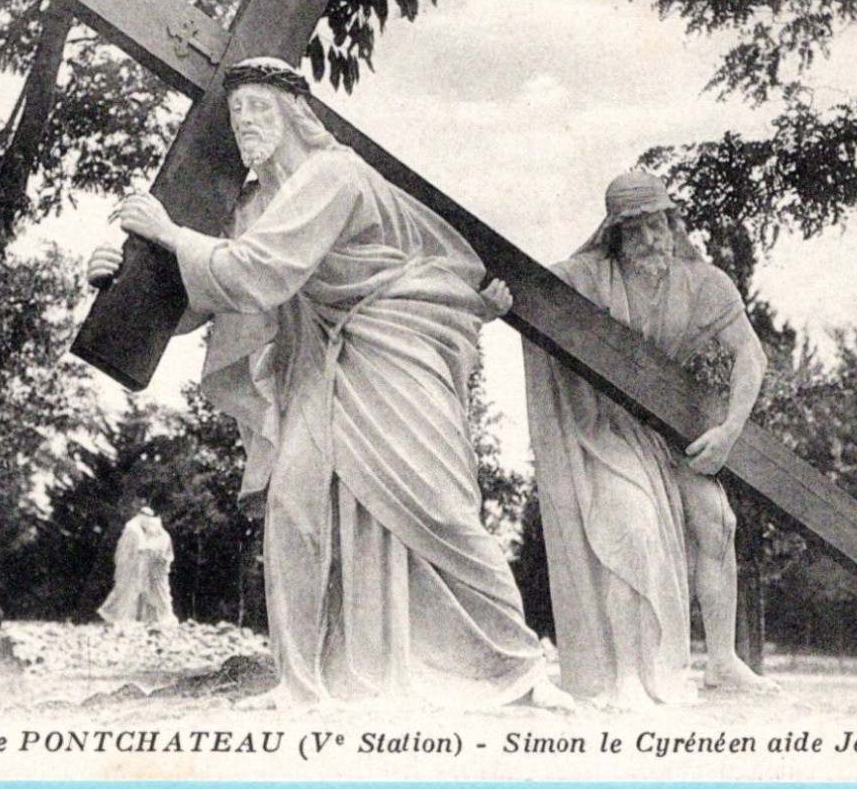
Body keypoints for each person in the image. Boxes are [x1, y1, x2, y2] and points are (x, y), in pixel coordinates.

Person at [89, 57, 565, 710]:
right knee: (296, 506)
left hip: (392, 345)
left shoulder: (332, 174)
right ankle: (304, 680)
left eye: (260, 107)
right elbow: (212, 299)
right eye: (237, 112)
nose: (247, 122)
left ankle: (518, 667)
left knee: (433, 502)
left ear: (295, 114)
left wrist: (169, 234)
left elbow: (255, 271)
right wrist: (121, 278)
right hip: (317, 358)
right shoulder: (254, 204)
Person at [524, 169, 772, 705]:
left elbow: (750, 354)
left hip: (669, 433)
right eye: (634, 230)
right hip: (605, 428)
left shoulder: (704, 283)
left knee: (717, 520)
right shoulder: (589, 276)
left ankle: (723, 661)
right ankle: (628, 676)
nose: (650, 240)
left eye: (657, 226)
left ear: (672, 224)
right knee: (631, 529)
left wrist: (729, 432)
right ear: (614, 234)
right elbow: (533, 289)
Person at [98, 503, 178, 626]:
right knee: (126, 592)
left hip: (143, 569)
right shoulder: (134, 530)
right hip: (131, 567)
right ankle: (119, 617)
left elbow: (155, 554)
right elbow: (136, 550)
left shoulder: (156, 535)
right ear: (143, 517)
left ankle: (128, 618)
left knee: (137, 593)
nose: (149, 526)